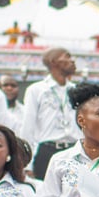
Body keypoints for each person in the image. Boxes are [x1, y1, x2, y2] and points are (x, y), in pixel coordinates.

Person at [22, 48, 79, 179]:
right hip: (47, 152)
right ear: (54, 62)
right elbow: (27, 127)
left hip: (73, 150)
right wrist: (27, 164)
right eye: (67, 57)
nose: (72, 61)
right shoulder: (36, 90)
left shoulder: (76, 90)